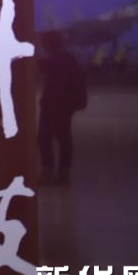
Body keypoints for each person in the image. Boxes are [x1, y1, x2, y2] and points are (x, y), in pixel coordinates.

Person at [37, 30, 87, 184]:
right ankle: (64, 172)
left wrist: (33, 51)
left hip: (53, 104)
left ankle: (48, 170)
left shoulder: (56, 58)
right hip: (66, 104)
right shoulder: (67, 58)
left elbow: (42, 66)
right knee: (64, 137)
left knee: (44, 137)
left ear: (48, 44)